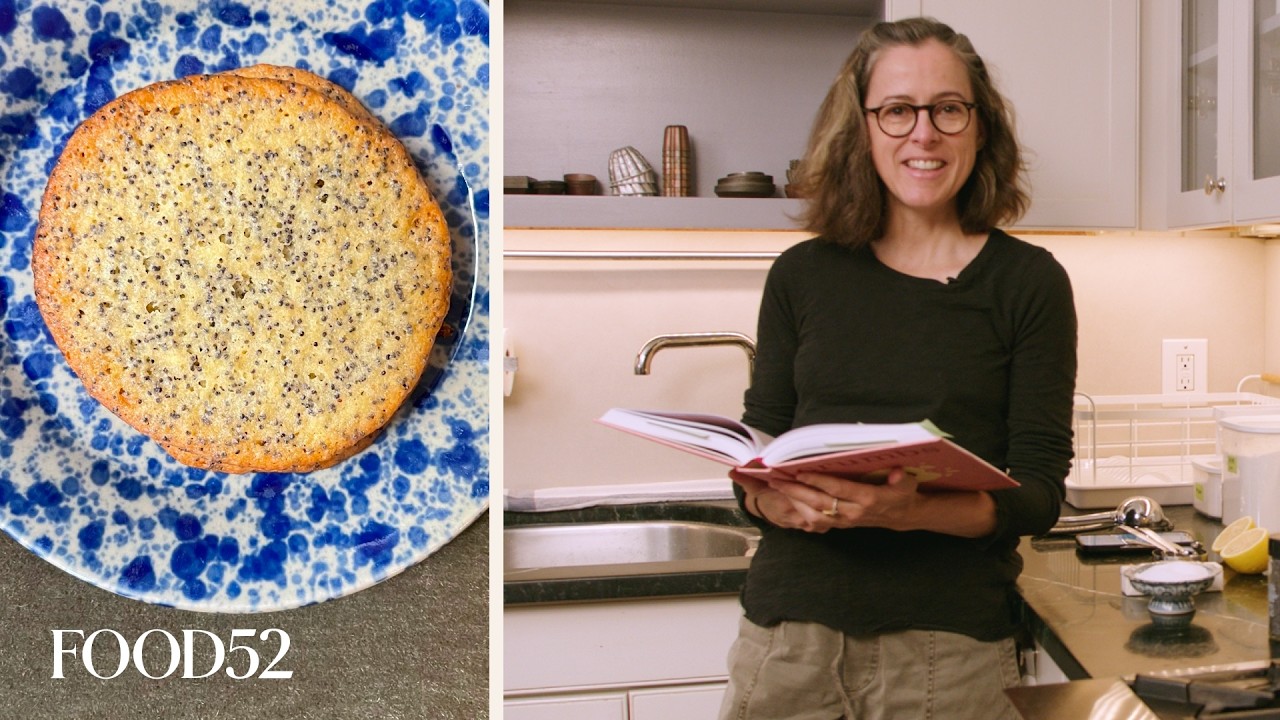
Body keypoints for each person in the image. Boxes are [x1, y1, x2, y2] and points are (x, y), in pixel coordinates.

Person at [718, 16, 1077, 720]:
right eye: (897, 111)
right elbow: (754, 459)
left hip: (951, 654)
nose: (924, 133)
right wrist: (769, 498)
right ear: (863, 128)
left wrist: (910, 511)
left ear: (979, 127)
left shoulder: (1030, 284)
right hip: (788, 643)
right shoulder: (801, 275)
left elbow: (1037, 496)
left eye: (947, 108)